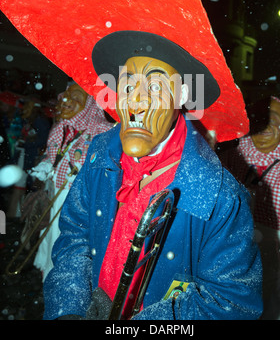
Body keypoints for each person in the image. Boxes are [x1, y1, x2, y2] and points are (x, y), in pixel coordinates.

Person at [43, 31, 262, 320]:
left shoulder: (221, 195)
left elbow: (232, 304)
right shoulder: (99, 153)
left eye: (156, 86)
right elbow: (74, 238)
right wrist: (68, 309)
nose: (137, 102)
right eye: (128, 85)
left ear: (182, 95)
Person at [220, 96, 280, 319]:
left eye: (274, 120)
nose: (265, 126)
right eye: (259, 119)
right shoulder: (232, 159)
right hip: (242, 246)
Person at [23, 82, 113, 280]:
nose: (66, 101)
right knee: (49, 234)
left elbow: (104, 168)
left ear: (90, 104)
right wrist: (47, 166)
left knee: (65, 238)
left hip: (77, 200)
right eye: (66, 96)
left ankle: (62, 278)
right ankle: (48, 273)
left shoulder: (102, 131)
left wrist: (84, 172)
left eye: (76, 98)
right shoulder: (63, 127)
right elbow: (53, 153)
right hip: (56, 192)